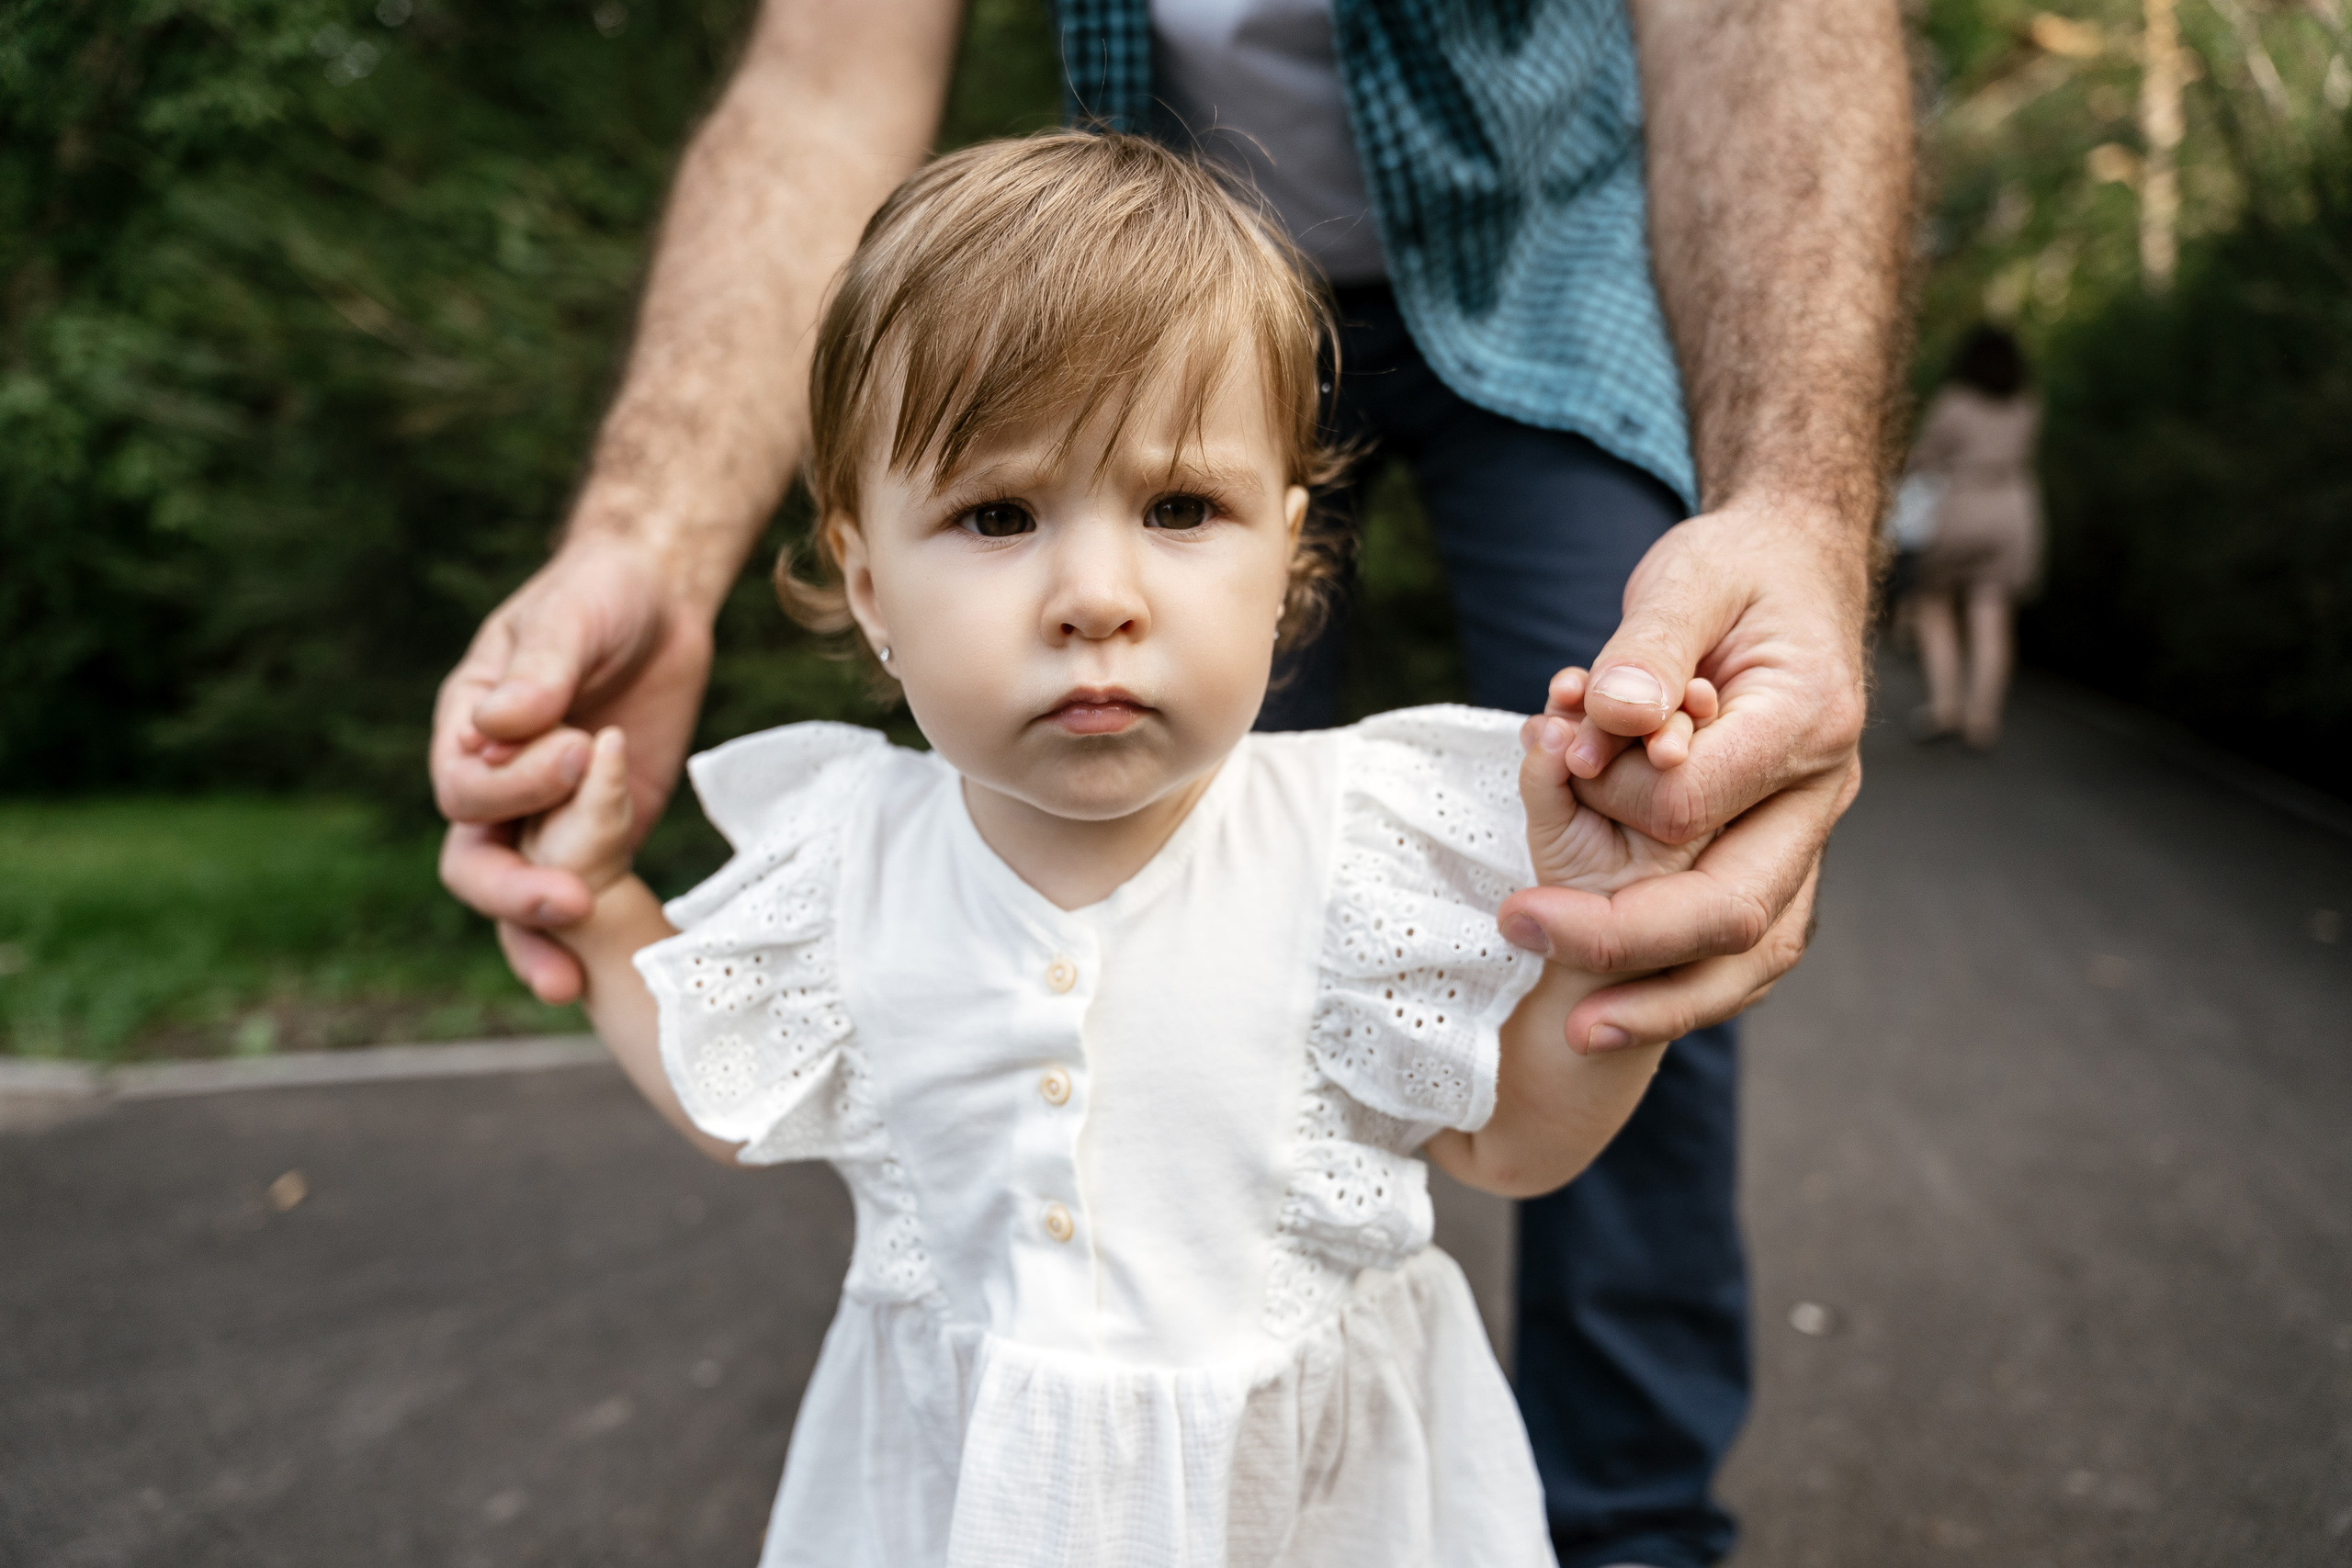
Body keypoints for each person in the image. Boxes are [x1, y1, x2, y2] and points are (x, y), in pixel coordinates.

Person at [431, 3, 1911, 1561]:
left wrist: (1606, 960)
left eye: (1182, 508)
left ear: (1290, 558)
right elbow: (732, 1086)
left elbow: (1510, 1144)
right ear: (866, 584)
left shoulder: (1360, 847)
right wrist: (596, 909)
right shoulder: (850, 853)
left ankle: (1641, 1525)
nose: (1096, 593)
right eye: (1000, 516)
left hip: (1313, 1509)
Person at [1901, 326, 2041, 750]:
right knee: (1991, 611)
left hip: (1959, 506)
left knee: (1933, 603)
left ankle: (1945, 707)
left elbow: (1923, 457)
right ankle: (1983, 719)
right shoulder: (2025, 404)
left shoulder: (1954, 402)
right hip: (2013, 511)